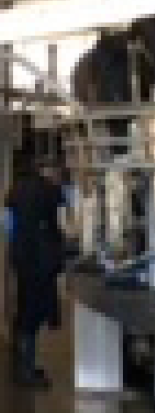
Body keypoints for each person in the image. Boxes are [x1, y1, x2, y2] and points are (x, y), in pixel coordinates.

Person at [7, 160, 69, 389]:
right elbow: (64, 225)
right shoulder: (51, 192)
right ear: (50, 172)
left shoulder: (15, 190)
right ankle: (26, 372)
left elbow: (9, 225)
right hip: (40, 262)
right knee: (32, 315)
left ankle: (24, 365)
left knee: (25, 310)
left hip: (21, 259)